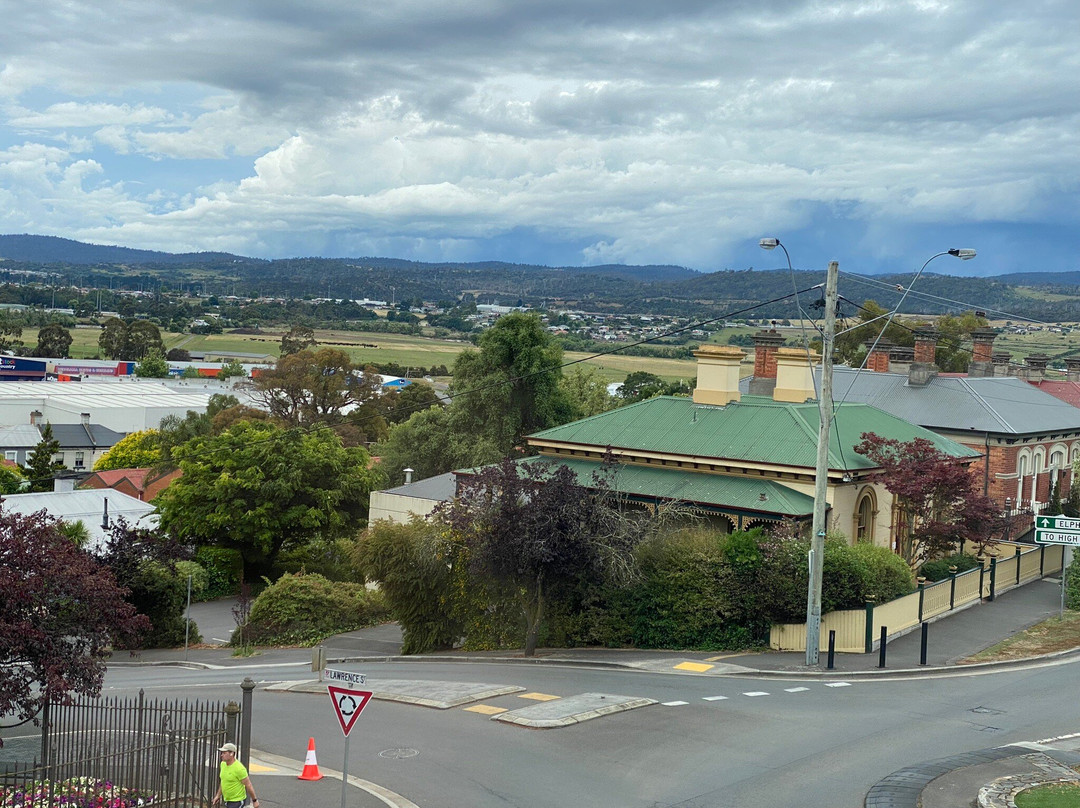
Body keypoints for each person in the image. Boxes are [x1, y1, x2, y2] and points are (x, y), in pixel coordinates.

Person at [212, 742, 260, 808]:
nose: (221, 755)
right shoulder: (223, 764)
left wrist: (255, 800)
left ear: (231, 753)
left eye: (224, 753)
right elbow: (223, 781)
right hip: (228, 800)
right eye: (222, 753)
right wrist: (218, 795)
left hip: (237, 801)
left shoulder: (239, 769)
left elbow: (248, 785)